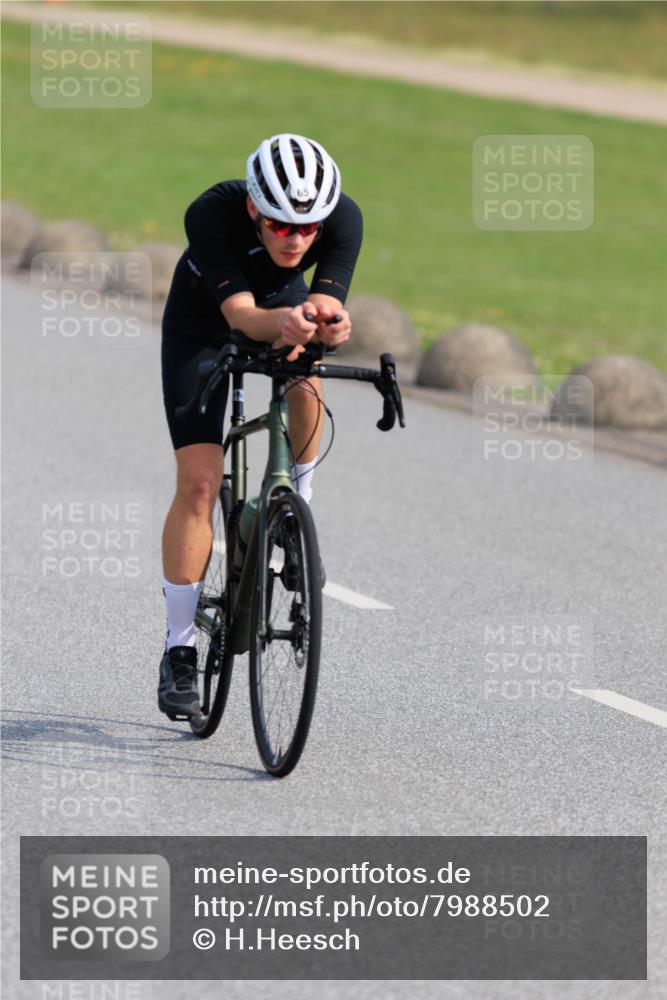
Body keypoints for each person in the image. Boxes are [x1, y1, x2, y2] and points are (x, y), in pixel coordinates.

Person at [158, 133, 363, 717]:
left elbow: (325, 301)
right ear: (254, 208)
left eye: (308, 229)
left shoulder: (343, 218)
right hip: (203, 326)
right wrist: (287, 324)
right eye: (280, 226)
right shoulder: (213, 213)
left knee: (306, 372)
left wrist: (330, 321)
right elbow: (243, 316)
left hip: (280, 313)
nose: (296, 239)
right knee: (199, 482)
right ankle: (179, 650)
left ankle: (299, 502)